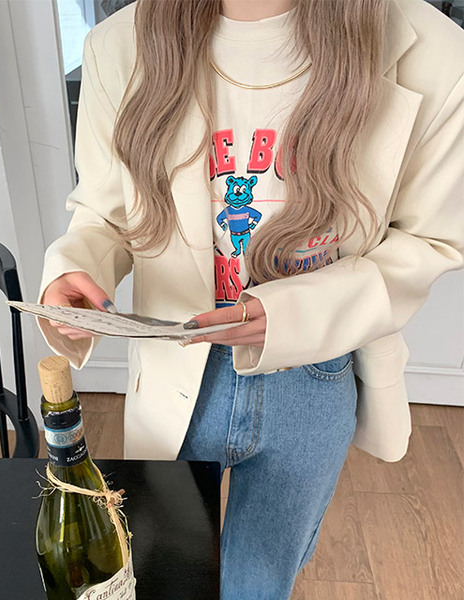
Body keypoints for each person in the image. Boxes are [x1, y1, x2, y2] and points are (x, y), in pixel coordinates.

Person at [37, 0, 464, 598]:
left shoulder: (432, 49)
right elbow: (104, 211)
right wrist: (77, 267)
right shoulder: (120, 44)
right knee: (163, 573)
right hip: (177, 367)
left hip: (314, 374)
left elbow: (430, 241)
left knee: (260, 585)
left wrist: (293, 313)